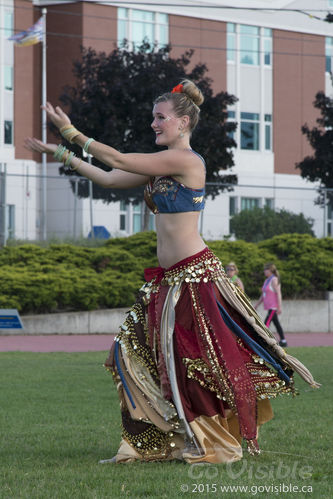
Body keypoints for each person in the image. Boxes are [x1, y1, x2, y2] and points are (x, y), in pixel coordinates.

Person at [25, 79, 319, 464]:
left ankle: (211, 442)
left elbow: (119, 160)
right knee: (129, 353)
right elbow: (112, 178)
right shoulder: (161, 167)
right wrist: (61, 153)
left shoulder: (187, 161)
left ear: (182, 123)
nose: (153, 124)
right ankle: (159, 441)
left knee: (195, 363)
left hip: (195, 278)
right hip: (168, 281)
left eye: (160, 118)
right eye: (153, 117)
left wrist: (70, 132)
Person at [254, 263, 287, 347]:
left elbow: (278, 293)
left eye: (266, 269)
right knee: (276, 323)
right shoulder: (266, 280)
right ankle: (283, 340)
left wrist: (279, 307)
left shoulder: (274, 280)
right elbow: (263, 295)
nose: (264, 271)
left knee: (266, 324)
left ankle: (264, 341)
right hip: (268, 306)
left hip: (273, 307)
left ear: (270, 270)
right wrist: (257, 304)